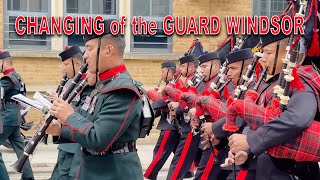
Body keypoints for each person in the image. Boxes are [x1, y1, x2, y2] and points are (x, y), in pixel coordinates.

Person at [46, 19, 144, 180]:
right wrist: (60, 128)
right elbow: (87, 122)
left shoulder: (122, 90)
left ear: (108, 50)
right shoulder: (102, 85)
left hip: (113, 174)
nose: (84, 55)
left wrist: (69, 116)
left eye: (89, 49)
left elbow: (98, 139)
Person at [50, 45, 93, 180]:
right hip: (66, 138)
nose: (64, 69)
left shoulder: (88, 84)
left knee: (66, 175)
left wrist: (63, 109)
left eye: (66, 65)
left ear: (78, 64)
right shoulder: (72, 84)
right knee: (58, 173)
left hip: (75, 141)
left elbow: (84, 113)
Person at [0, 51, 34, 180]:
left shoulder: (8, 78)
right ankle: (28, 177)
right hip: (15, 116)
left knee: (21, 150)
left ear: (6, 62)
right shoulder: (18, 76)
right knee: (21, 151)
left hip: (7, 116)